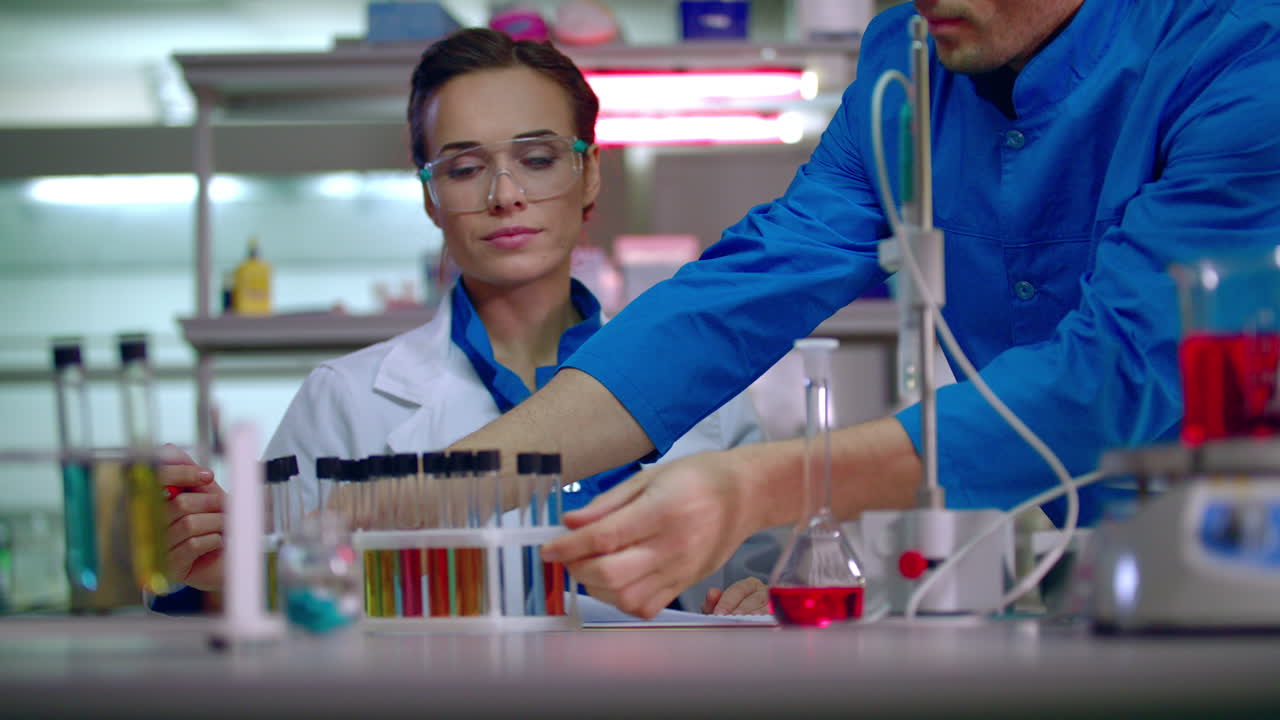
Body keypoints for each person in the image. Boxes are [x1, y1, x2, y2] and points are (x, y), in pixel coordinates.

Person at [443, 0, 1280, 618]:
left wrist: (761, 486)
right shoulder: (911, 57)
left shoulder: (1238, 46)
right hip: (1045, 580)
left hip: (1234, 570)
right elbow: (754, 283)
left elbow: (1124, 374)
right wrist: (445, 487)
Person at [158, 27, 769, 615]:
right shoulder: (344, 403)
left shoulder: (705, 390)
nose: (505, 195)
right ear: (430, 196)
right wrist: (202, 563)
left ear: (589, 173)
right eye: (465, 168)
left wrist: (767, 598)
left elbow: (781, 572)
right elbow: (255, 600)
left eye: (536, 158)